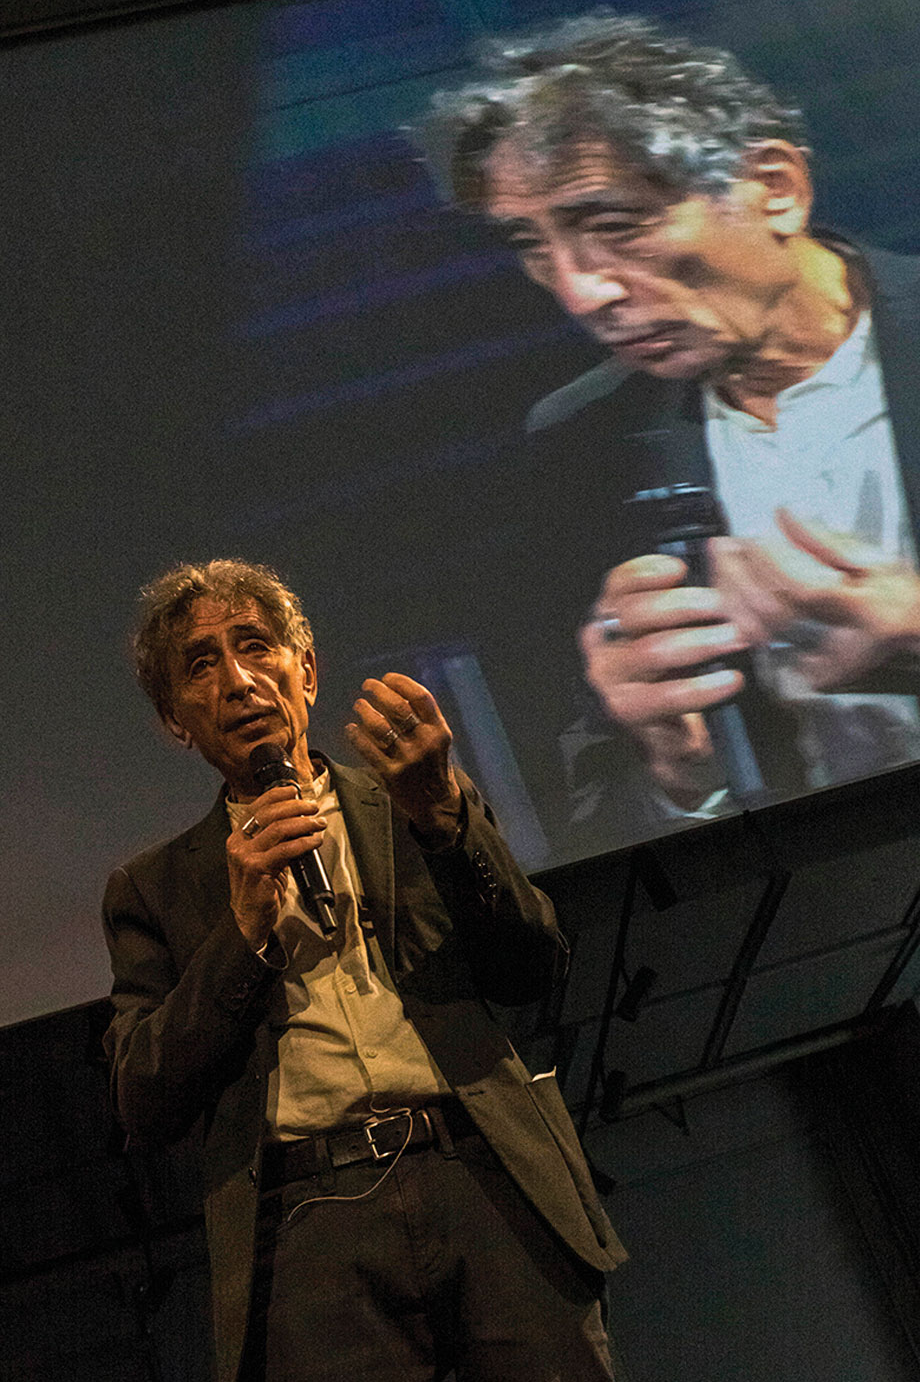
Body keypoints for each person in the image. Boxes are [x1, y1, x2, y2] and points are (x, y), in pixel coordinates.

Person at [422, 12, 920, 849]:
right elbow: (590, 805)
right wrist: (676, 770)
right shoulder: (582, 441)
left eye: (615, 226)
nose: (582, 294)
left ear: (775, 188)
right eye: (533, 244)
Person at [101, 558, 624, 1382]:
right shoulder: (153, 888)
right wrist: (243, 933)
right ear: (176, 720)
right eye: (202, 664)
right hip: (311, 1224)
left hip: (483, 1173)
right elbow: (144, 1098)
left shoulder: (414, 796)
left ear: (305, 669)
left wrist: (445, 818)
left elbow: (532, 966)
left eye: (255, 645)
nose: (238, 679)